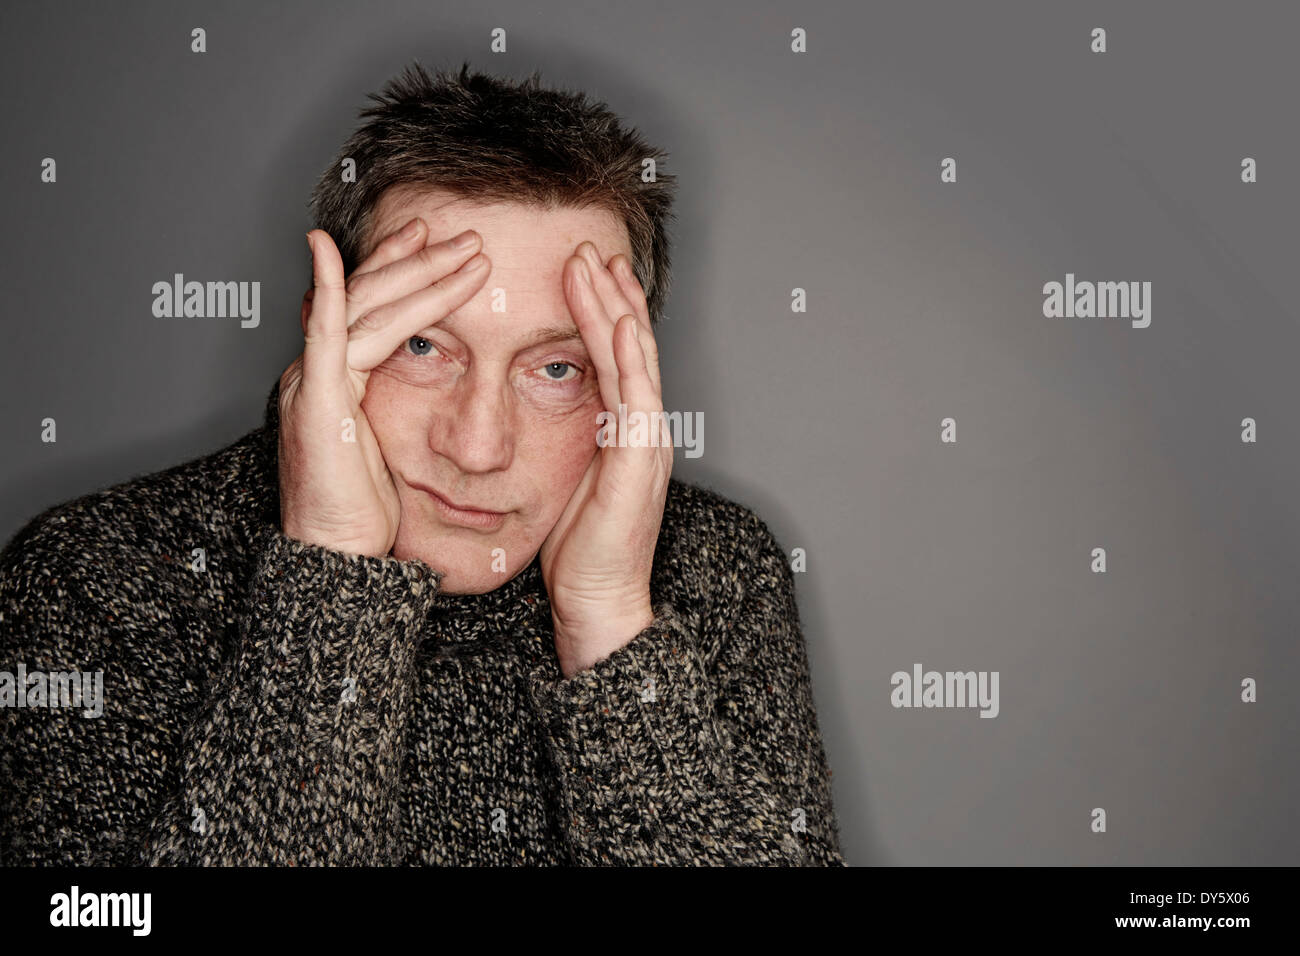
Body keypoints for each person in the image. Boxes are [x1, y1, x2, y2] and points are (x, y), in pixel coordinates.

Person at [0, 62, 844, 865]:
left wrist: (610, 626)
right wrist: (330, 571)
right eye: (423, 345)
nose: (477, 448)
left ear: (628, 381)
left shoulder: (716, 570)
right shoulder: (96, 574)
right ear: (324, 330)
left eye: (556, 369)